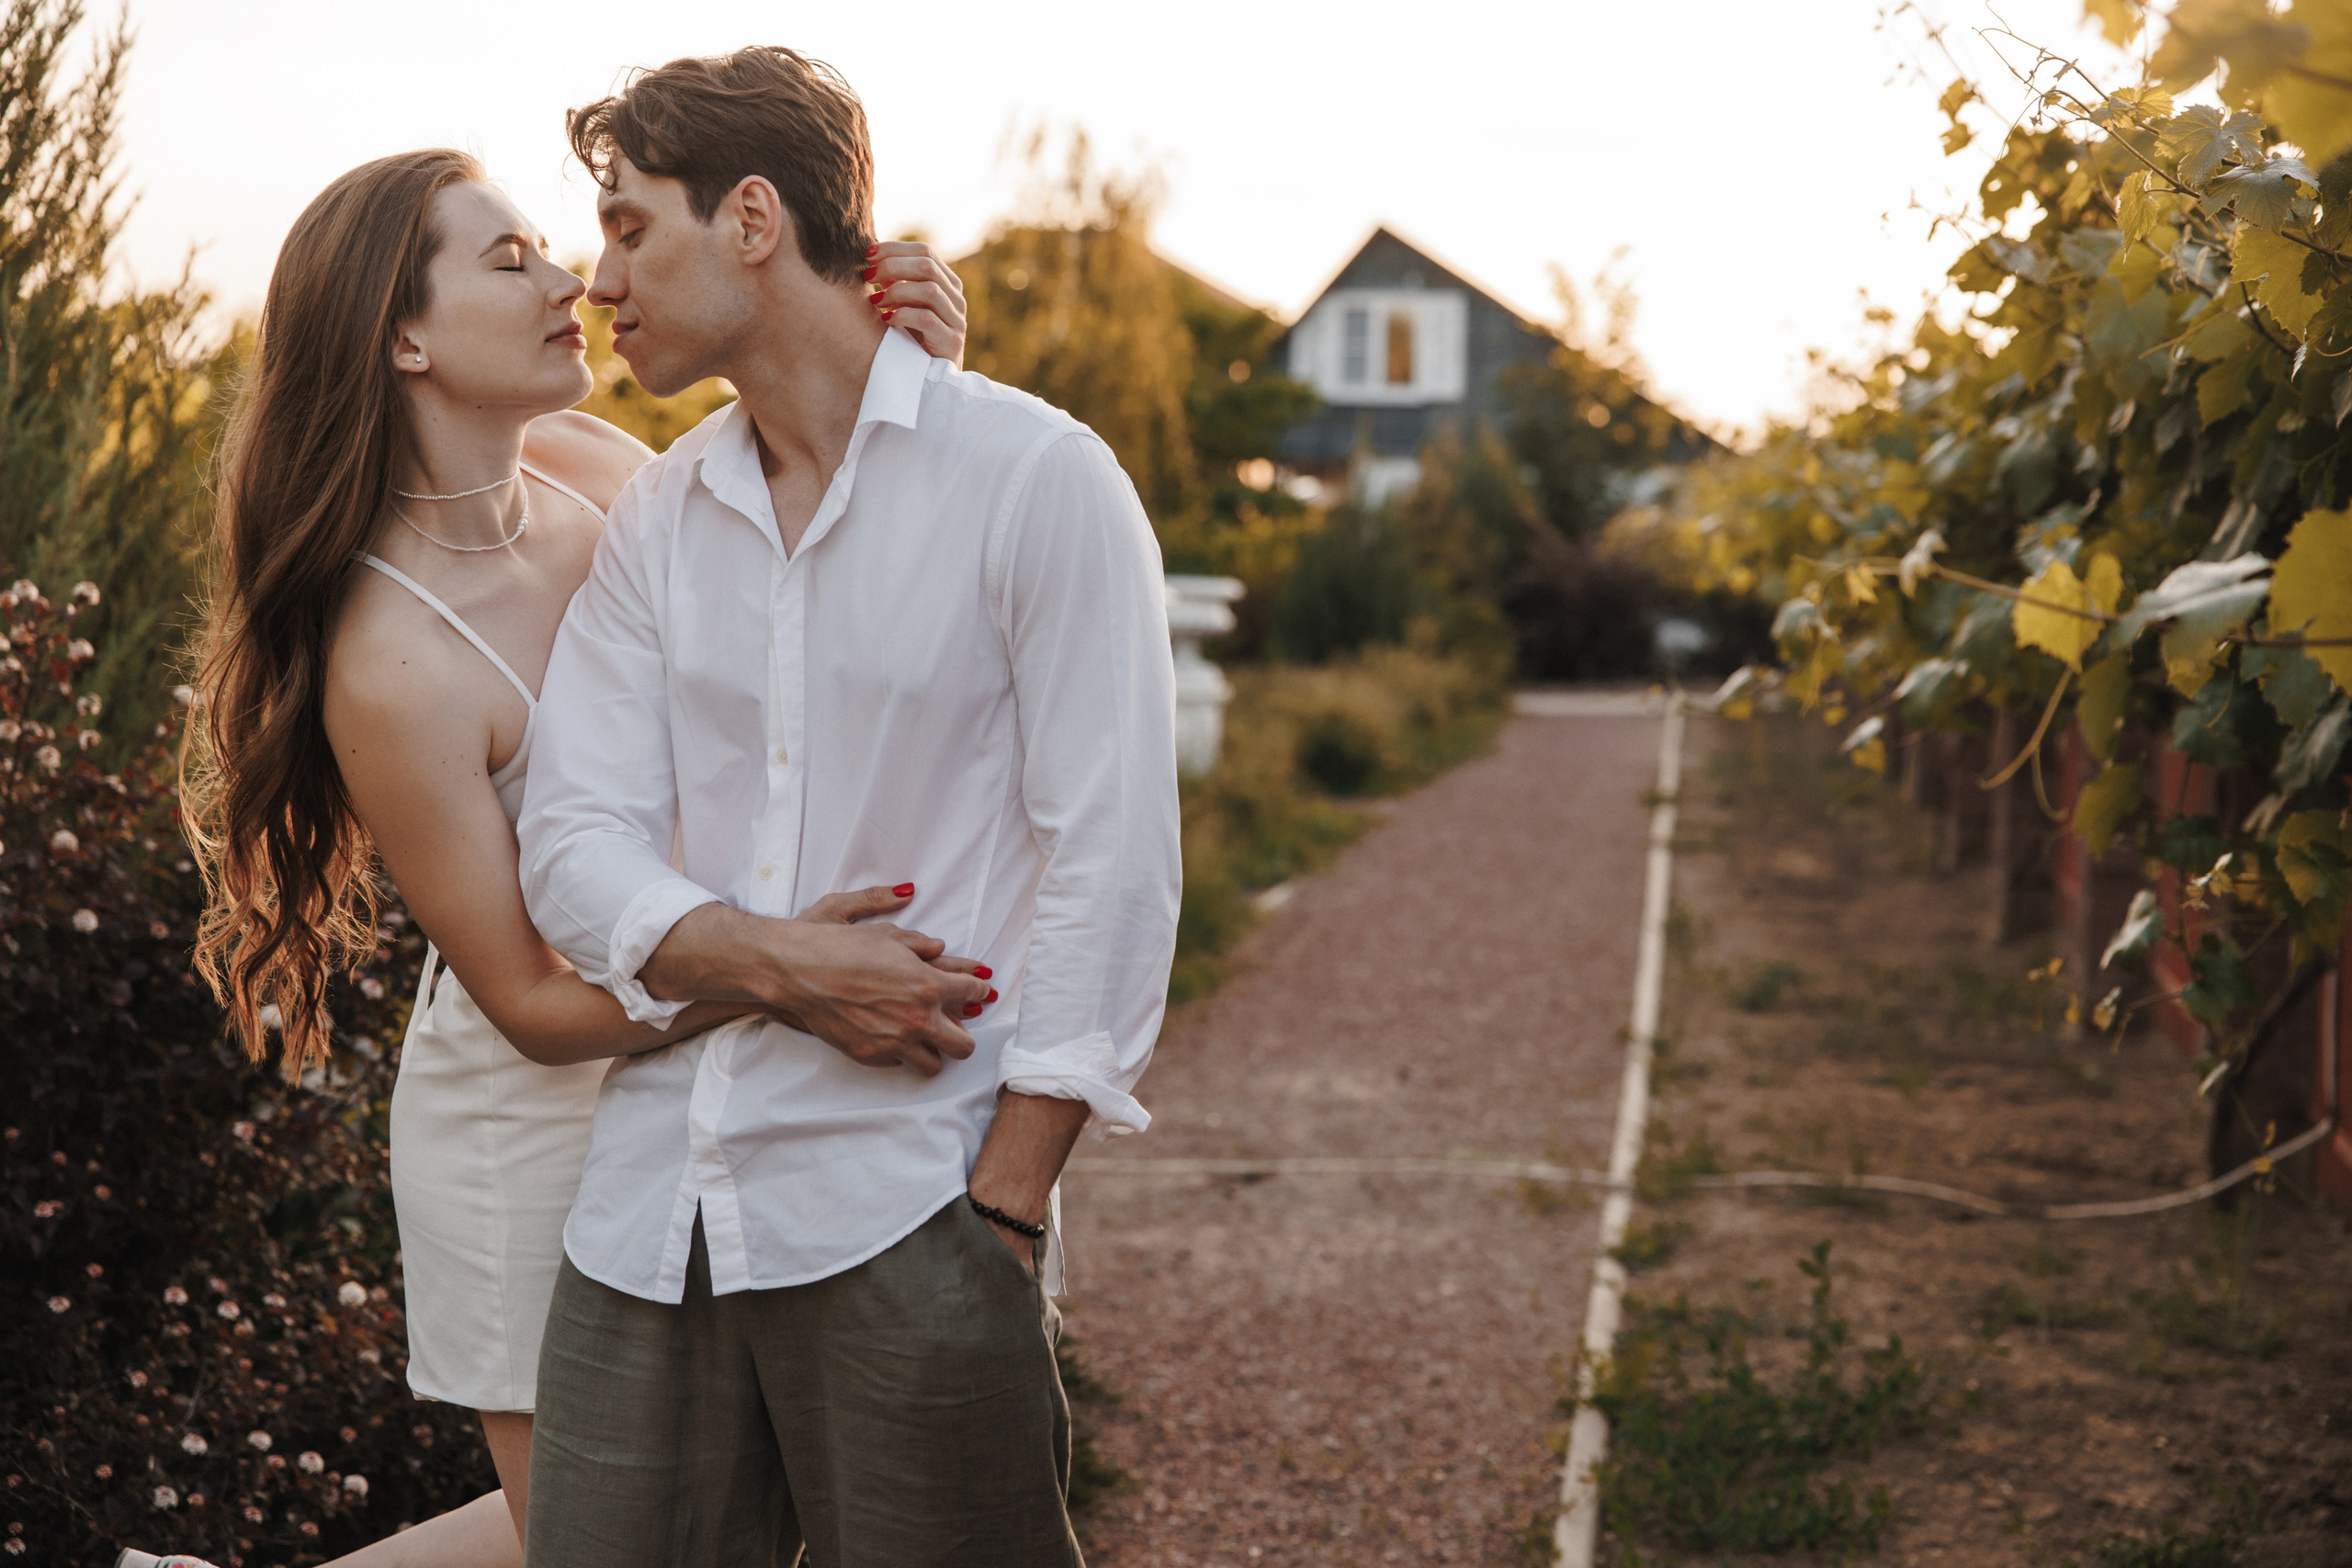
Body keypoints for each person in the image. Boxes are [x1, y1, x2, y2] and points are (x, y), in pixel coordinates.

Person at [134, 150, 979, 1568]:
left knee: (700, 1519)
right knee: (600, 1544)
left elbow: (827, 590)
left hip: (700, 1065)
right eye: (510, 257)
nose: (576, 282)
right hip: (527, 1130)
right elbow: (525, 998)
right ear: (405, 337)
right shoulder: (391, 662)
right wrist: (780, 972)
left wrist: (926, 382)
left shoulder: (600, 471)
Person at [513, 46, 1182, 1568]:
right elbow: (572, 845)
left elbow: (1114, 857)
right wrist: (784, 963)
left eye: (629, 227)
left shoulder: (1036, 481)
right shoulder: (662, 523)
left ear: (753, 218)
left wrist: (1006, 1208)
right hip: (647, 1220)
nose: (597, 279)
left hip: (913, 1205)